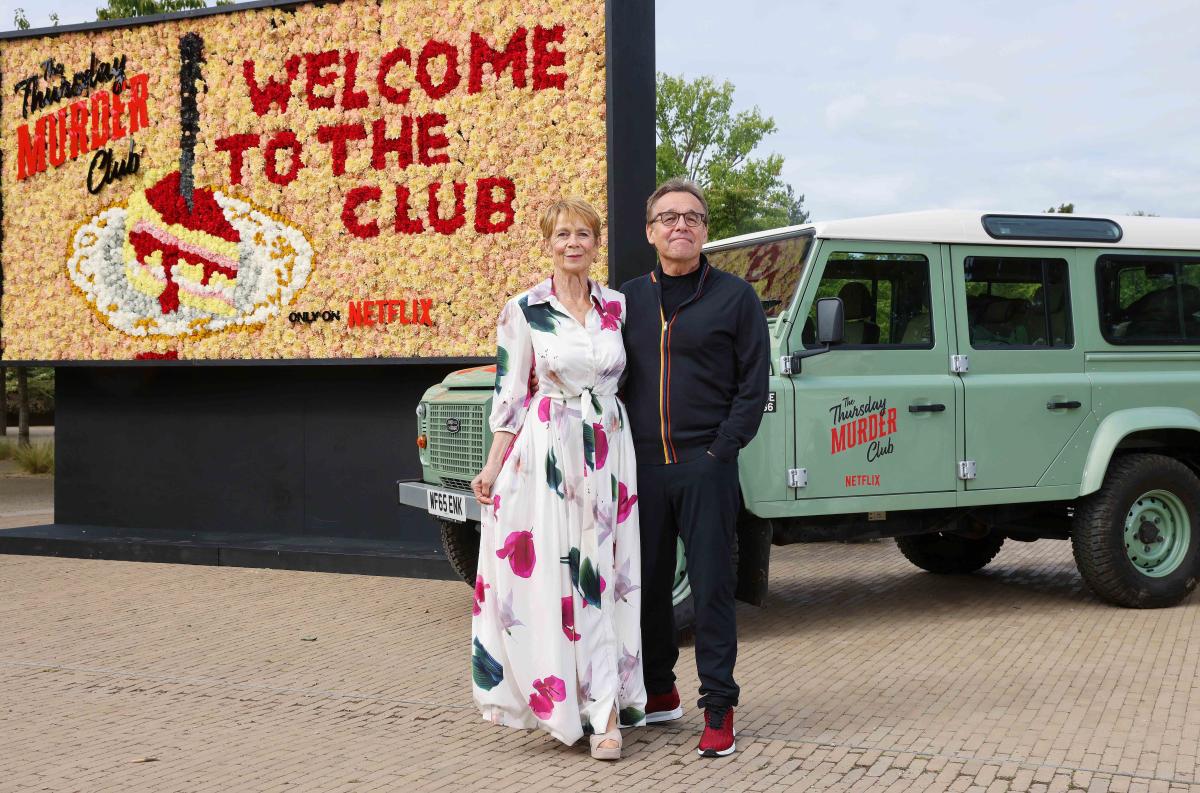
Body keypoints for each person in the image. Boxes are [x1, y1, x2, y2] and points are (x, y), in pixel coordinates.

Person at [470, 198, 646, 761]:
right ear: (547, 242)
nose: (575, 243)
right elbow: (510, 394)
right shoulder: (523, 310)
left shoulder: (616, 306)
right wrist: (493, 466)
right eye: (563, 234)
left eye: (585, 234)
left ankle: (609, 710)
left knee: (610, 573)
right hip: (549, 454)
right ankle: (571, 704)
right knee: (560, 578)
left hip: (610, 449)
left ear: (598, 243)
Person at [620, 178, 769, 757]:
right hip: (641, 469)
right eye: (668, 217)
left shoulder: (736, 297)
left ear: (706, 230)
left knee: (710, 590)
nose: (680, 225)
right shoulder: (625, 299)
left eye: (693, 217)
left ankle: (719, 708)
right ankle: (659, 691)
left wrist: (720, 452)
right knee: (648, 587)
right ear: (650, 231)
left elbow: (754, 386)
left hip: (705, 466)